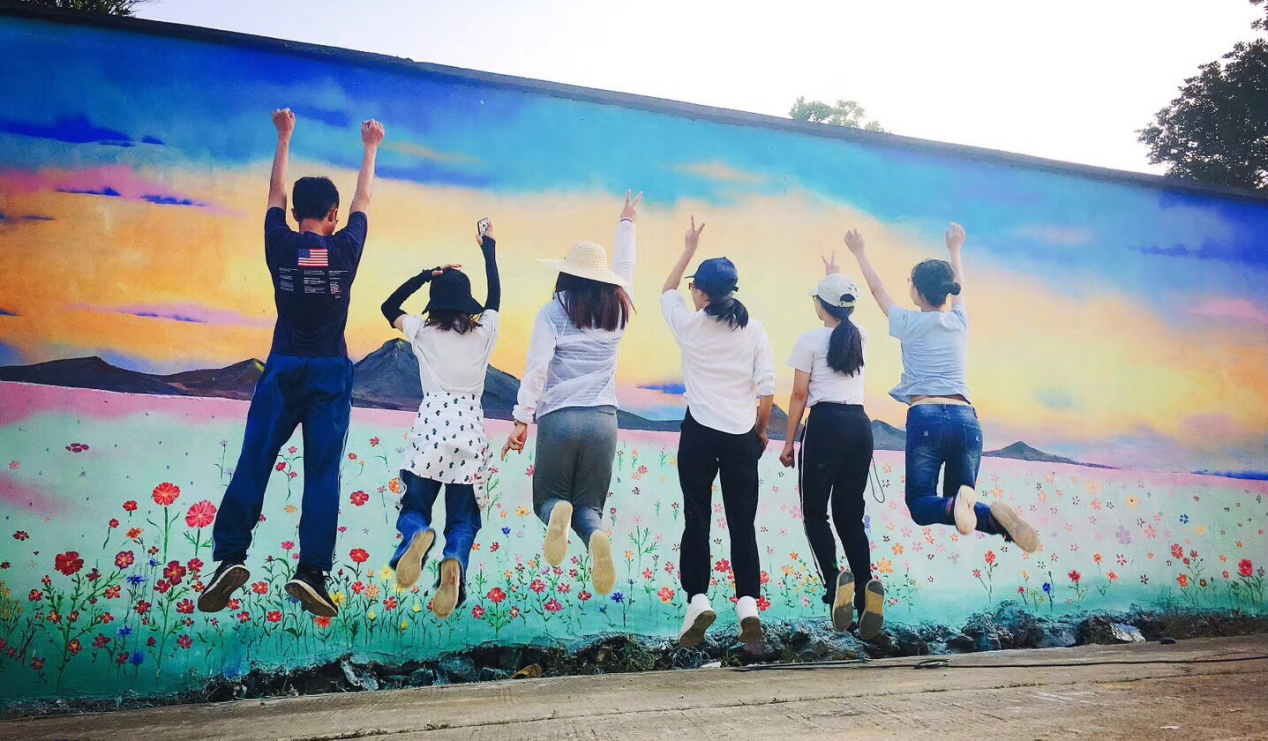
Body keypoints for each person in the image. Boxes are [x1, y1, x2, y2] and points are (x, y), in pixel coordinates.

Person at [200, 110, 385, 617]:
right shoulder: (345, 250)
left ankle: (230, 558)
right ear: (333, 216)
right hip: (329, 371)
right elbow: (364, 201)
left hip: (282, 367)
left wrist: (283, 137)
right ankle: (312, 573)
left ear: (297, 213)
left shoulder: (279, 244)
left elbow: (274, 194)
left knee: (254, 458)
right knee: (322, 473)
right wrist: (370, 147)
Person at [845, 224, 1039, 553]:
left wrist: (860, 252)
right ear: (946, 291)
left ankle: (974, 511)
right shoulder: (960, 321)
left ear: (917, 292)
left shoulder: (907, 321)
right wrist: (955, 249)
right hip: (966, 420)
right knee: (960, 508)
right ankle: (999, 523)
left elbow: (877, 290)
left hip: (927, 418)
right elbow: (960, 289)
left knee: (922, 505)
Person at [500, 192, 641, 596]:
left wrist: (521, 419)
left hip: (560, 418)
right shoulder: (620, 311)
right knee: (589, 507)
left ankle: (556, 513)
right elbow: (626, 268)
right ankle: (595, 535)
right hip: (603, 420)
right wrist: (627, 223)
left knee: (548, 500)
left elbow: (537, 369)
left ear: (565, 275)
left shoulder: (553, 312)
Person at [661, 217, 776, 648]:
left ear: (702, 293)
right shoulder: (755, 329)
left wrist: (688, 249)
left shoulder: (689, 325)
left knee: (697, 517)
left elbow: (666, 290)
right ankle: (747, 605)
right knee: (742, 522)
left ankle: (697, 600)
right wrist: (760, 431)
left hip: (699, 433)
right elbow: (767, 389)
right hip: (741, 435)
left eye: (695, 287)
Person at [378, 221, 501, 619]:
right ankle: (455, 562)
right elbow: (495, 296)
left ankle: (416, 536)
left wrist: (425, 275)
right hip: (469, 433)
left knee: (414, 508)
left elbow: (388, 307)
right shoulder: (484, 334)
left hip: (430, 431)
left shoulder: (422, 331)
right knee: (463, 519)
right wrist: (488, 249)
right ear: (468, 304)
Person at [779, 257, 885, 639]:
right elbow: (839, 318)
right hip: (859, 427)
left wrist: (788, 443)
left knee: (815, 514)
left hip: (825, 427)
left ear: (821, 305)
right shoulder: (860, 336)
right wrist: (833, 278)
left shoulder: (809, 340)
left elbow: (799, 395)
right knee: (849, 517)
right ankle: (865, 589)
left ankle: (833, 582)